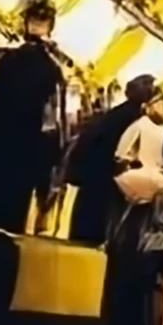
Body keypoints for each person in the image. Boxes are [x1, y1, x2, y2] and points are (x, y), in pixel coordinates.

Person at [0, 0, 64, 233]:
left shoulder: (9, 60)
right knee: (11, 225)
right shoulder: (53, 69)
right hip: (25, 154)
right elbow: (53, 121)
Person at [67, 74, 156, 244]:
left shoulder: (117, 113)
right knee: (98, 216)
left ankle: (83, 240)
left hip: (95, 172)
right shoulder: (132, 117)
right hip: (106, 173)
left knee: (88, 212)